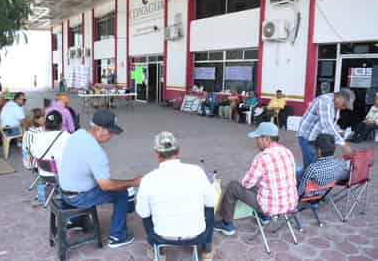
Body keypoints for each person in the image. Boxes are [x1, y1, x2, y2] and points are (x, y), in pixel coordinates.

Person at [59, 110, 141, 248]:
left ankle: (75, 220)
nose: (112, 135)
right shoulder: (96, 152)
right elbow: (106, 185)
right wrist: (133, 182)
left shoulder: (78, 134)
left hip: (63, 190)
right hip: (78, 197)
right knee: (123, 194)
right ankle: (117, 236)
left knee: (114, 185)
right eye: (110, 131)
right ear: (98, 129)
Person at [136, 131, 217, 261]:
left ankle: (155, 247)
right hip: (197, 234)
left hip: (161, 235)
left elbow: (142, 212)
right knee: (209, 205)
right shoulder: (196, 171)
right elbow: (211, 201)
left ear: (156, 154)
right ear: (179, 151)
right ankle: (207, 249)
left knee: (146, 210)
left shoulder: (148, 179)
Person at [214, 122, 298, 235]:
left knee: (233, 186)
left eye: (258, 138)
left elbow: (246, 184)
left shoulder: (262, 157)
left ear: (266, 139)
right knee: (263, 185)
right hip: (290, 203)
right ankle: (264, 217)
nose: (256, 142)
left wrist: (244, 179)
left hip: (270, 206)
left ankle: (227, 224)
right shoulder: (288, 152)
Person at [297, 88, 354, 168]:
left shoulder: (335, 104)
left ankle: (313, 179)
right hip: (307, 137)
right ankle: (306, 180)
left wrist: (339, 131)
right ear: (339, 98)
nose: (344, 108)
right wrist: (343, 144)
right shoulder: (324, 102)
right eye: (344, 105)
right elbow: (327, 125)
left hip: (316, 138)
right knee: (311, 167)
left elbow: (332, 122)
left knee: (317, 166)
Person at [30, 111, 71, 208]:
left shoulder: (38, 136)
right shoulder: (67, 137)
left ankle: (41, 198)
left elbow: (33, 153)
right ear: (61, 124)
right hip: (60, 176)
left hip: (43, 174)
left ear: (46, 124)